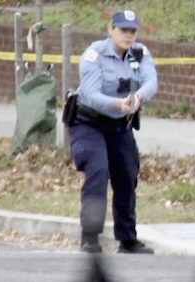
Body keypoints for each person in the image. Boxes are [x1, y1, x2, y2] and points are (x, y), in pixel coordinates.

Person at [67, 9, 157, 254]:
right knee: (98, 170)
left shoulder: (139, 53)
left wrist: (138, 96)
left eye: (132, 31)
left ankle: (127, 239)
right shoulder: (94, 54)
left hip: (119, 124)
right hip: (88, 123)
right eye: (123, 30)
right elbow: (90, 95)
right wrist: (118, 104)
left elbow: (151, 81)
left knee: (127, 173)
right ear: (111, 30)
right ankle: (90, 236)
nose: (128, 36)